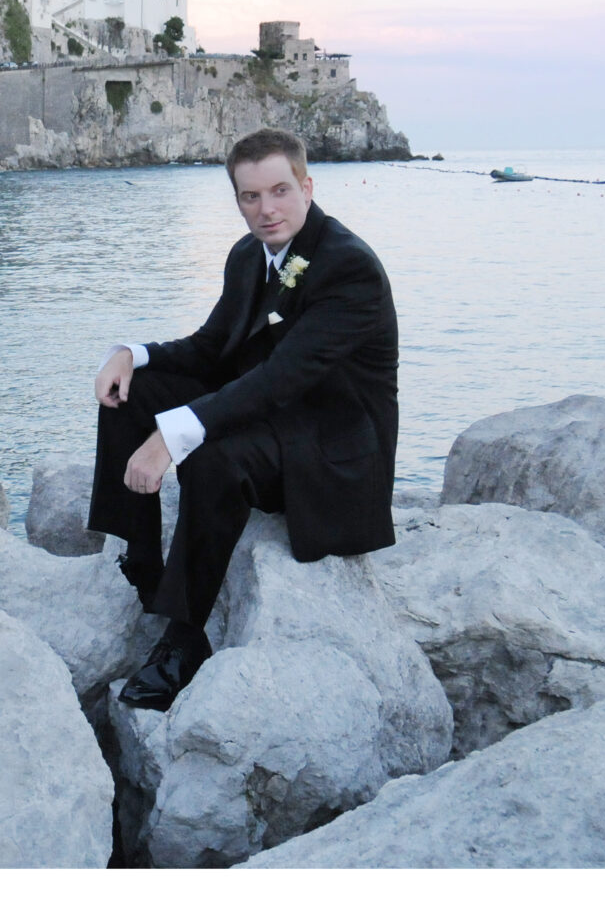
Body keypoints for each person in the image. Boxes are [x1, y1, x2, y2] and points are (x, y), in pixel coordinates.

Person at [88, 127, 399, 711]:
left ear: (307, 186)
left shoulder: (347, 268)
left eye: (279, 191)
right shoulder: (248, 253)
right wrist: (134, 352)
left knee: (208, 455)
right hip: (268, 415)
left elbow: (279, 379)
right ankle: (144, 562)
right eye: (250, 197)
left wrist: (172, 436)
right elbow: (214, 349)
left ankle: (183, 639)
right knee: (133, 392)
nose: (266, 209)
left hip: (328, 445)